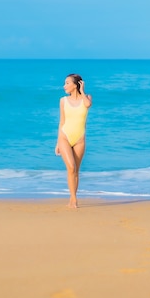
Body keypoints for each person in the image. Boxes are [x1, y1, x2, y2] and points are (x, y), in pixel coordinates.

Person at [55, 74, 92, 208]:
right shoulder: (63, 100)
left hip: (79, 139)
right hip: (64, 137)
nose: (64, 86)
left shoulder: (86, 98)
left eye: (67, 83)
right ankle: (73, 199)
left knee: (76, 170)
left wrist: (82, 91)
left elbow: (87, 105)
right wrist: (57, 142)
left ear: (75, 85)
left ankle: (72, 198)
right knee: (71, 167)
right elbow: (62, 121)